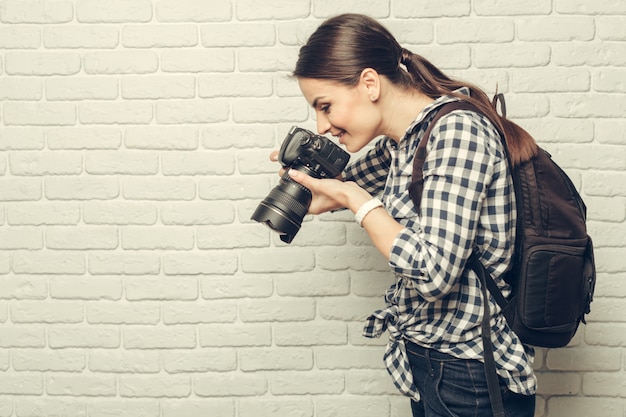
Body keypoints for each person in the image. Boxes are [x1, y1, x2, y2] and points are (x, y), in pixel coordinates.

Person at [271, 13, 538, 417]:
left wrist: (353, 196)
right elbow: (330, 194)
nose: (322, 125)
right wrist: (301, 174)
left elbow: (434, 274)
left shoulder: (456, 133)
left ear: (369, 83)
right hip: (429, 360)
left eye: (325, 107)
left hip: (471, 372)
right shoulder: (402, 143)